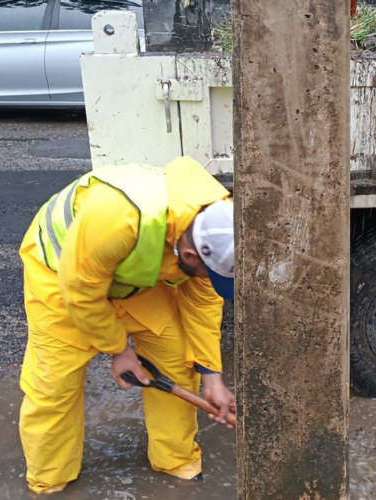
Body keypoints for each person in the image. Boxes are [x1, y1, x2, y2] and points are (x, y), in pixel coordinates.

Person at [17, 156, 236, 494]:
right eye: (210, 273)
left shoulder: (214, 223)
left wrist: (212, 377)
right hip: (64, 276)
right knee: (53, 384)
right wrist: (119, 350)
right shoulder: (117, 218)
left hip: (138, 276)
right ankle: (50, 478)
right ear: (192, 256)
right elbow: (82, 291)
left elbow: (203, 303)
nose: (210, 279)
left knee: (177, 361)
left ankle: (175, 459)